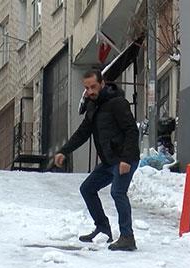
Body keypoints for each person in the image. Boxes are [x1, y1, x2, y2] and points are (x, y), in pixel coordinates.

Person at [54, 70, 140, 251]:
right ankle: (103, 228)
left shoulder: (117, 103)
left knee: (118, 192)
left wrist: (125, 159)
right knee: (87, 188)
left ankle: (127, 237)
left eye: (93, 87)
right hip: (109, 162)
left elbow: (132, 131)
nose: (90, 91)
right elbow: (82, 133)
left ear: (102, 84)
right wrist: (64, 151)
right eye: (87, 88)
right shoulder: (93, 107)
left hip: (125, 159)